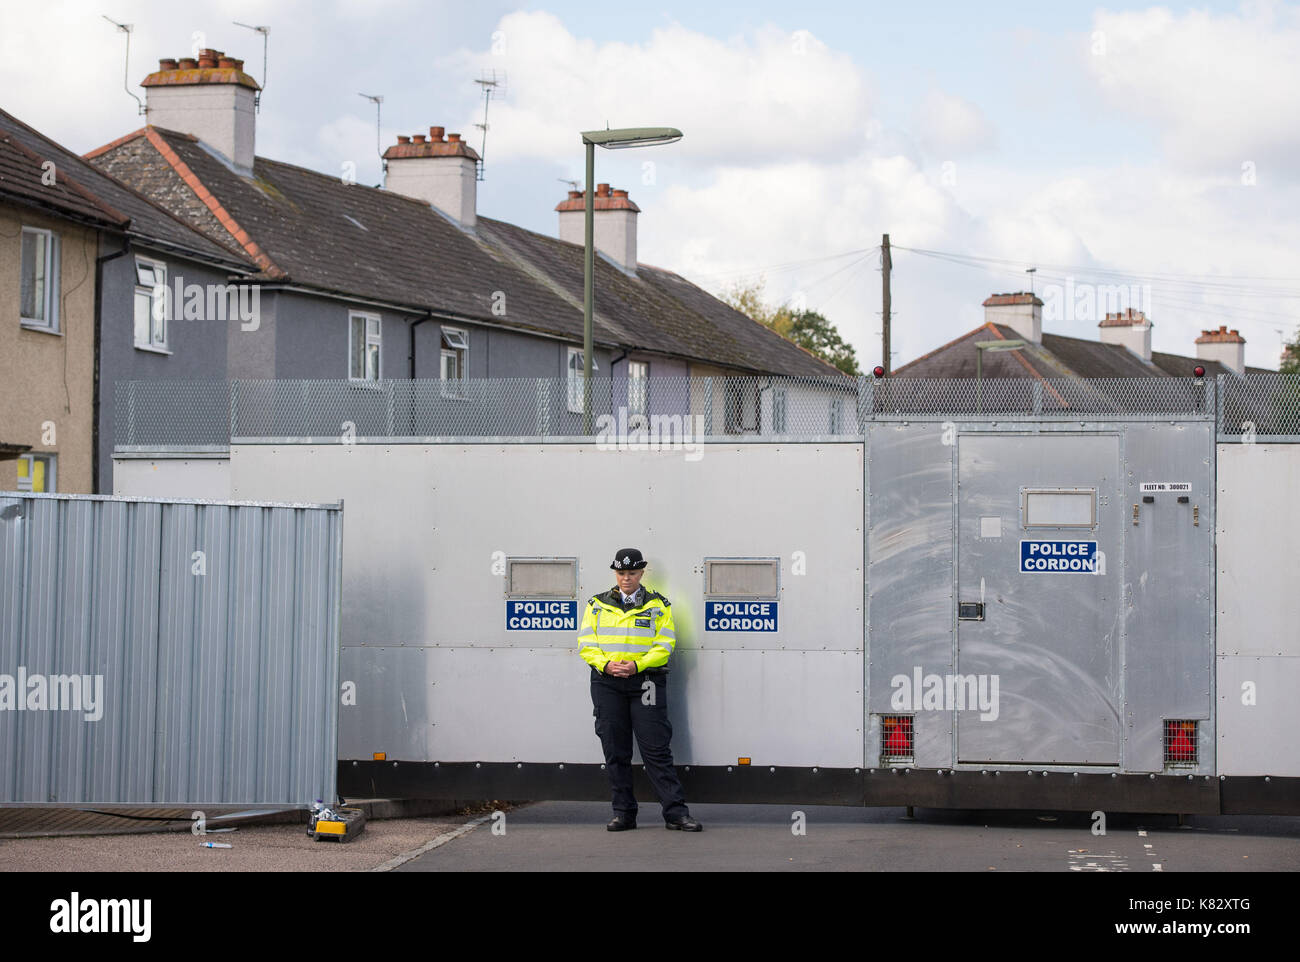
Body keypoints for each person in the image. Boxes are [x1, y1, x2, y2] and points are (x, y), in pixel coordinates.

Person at [578, 548, 702, 832]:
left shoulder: (659, 605)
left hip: (646, 682)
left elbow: (665, 644)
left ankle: (675, 814)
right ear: (615, 573)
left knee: (656, 749)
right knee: (615, 749)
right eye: (621, 573)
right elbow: (586, 643)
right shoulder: (596, 604)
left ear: (641, 573)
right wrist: (606, 665)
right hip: (607, 682)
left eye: (632, 573)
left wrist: (637, 665)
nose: (626, 578)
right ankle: (624, 814)